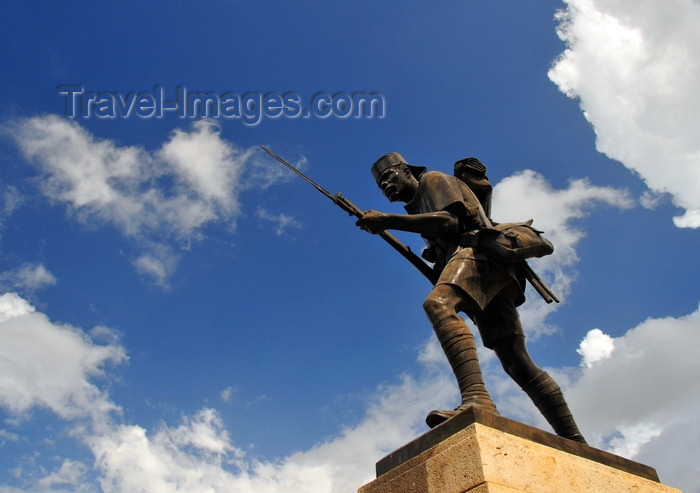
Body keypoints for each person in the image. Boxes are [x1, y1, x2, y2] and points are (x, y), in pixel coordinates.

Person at [356, 152, 586, 443]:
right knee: (516, 360)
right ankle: (575, 439)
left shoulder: (433, 180)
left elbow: (450, 222)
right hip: (480, 268)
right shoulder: (416, 207)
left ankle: (477, 398)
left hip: (478, 256)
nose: (386, 185)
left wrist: (387, 220)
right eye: (381, 185)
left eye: (389, 177)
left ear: (406, 171)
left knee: (438, 305)